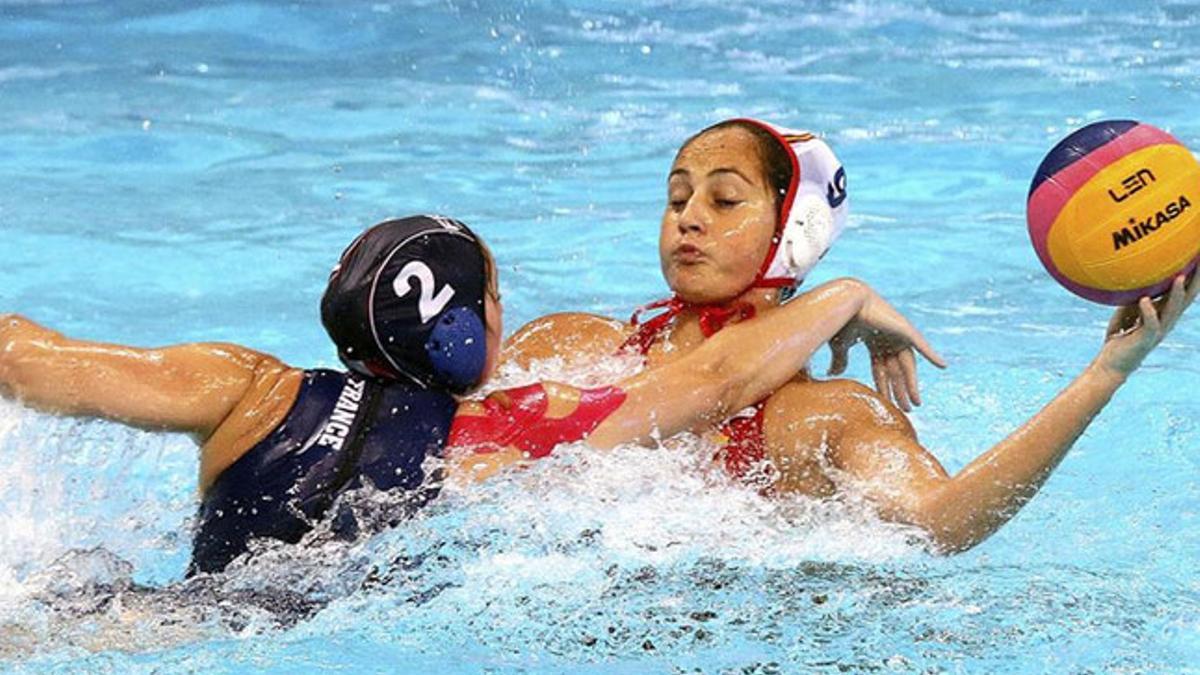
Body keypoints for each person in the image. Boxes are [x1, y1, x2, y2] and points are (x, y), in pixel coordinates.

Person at [0, 214, 933, 574]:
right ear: (454, 329)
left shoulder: (248, 387)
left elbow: (27, 360)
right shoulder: (498, 436)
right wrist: (843, 295)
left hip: (146, 624)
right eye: (491, 295)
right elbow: (714, 382)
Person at [501, 118, 1199, 553]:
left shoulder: (826, 417)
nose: (688, 218)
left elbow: (941, 523)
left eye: (724, 199)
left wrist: (1107, 371)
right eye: (677, 196)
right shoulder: (568, 341)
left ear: (793, 228)